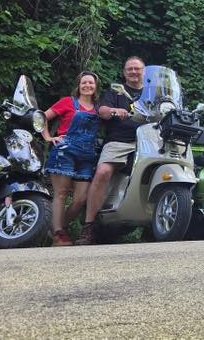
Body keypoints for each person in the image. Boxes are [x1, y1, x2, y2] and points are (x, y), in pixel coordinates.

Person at [77, 56, 145, 245]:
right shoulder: (117, 92)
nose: (133, 72)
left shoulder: (151, 94)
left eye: (137, 69)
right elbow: (102, 111)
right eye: (129, 69)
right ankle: (89, 226)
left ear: (144, 72)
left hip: (148, 141)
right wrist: (116, 111)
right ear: (124, 73)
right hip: (120, 141)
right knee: (103, 171)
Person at [42, 71, 101, 246]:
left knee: (81, 199)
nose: (87, 85)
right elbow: (42, 117)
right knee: (61, 193)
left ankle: (58, 227)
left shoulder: (99, 108)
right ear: (79, 85)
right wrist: (47, 137)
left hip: (87, 155)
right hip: (65, 152)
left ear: (96, 86)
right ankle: (58, 234)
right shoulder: (68, 102)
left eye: (91, 83)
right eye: (84, 83)